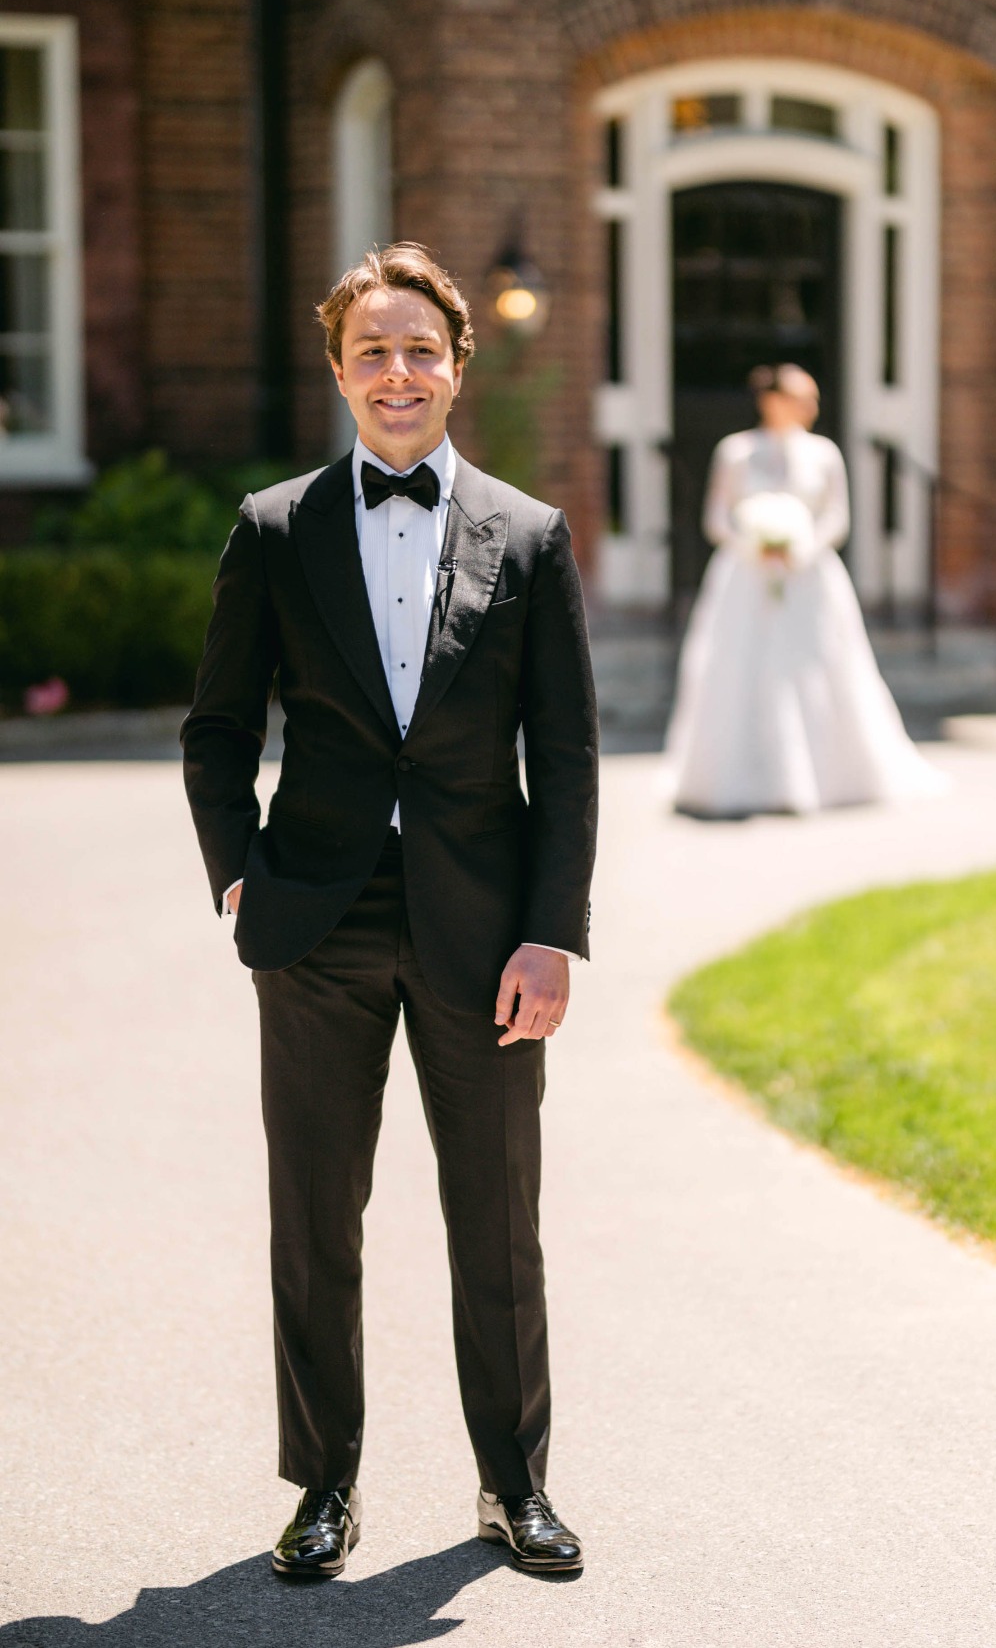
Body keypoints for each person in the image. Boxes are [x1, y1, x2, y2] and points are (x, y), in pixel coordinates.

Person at [181, 243, 598, 1578]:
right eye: (374, 349)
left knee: (497, 1213)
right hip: (316, 920)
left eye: (422, 348)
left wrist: (552, 927)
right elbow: (216, 728)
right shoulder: (275, 526)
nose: (399, 371)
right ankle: (324, 1485)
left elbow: (571, 753)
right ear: (339, 368)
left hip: (486, 929)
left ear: (458, 364)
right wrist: (238, 872)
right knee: (315, 1215)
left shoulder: (531, 537)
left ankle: (514, 1482)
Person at [667, 363, 945, 818]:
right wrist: (752, 545)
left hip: (809, 576)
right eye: (801, 396)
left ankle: (825, 774)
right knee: (741, 668)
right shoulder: (735, 451)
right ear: (770, 399)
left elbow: (837, 518)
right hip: (747, 576)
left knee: (814, 666)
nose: (810, 407)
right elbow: (716, 518)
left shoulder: (825, 453)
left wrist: (801, 547)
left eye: (813, 398)